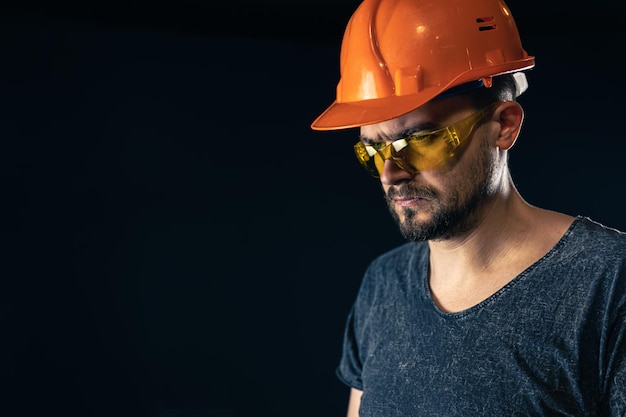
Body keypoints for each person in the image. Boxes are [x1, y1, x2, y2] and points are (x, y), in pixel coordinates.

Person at [310, 0, 626, 415]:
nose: (391, 173)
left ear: (505, 125)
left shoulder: (606, 284)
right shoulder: (382, 285)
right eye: (373, 150)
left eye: (421, 140)